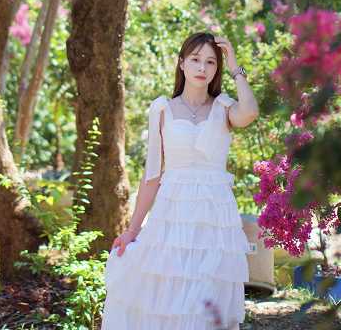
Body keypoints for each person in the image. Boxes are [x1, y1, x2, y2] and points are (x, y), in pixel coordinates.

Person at [101, 31, 260, 330]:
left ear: (217, 69)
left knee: (206, 303)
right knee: (167, 300)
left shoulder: (224, 107)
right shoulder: (162, 109)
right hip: (172, 216)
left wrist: (236, 65)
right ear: (182, 64)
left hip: (215, 220)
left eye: (211, 62)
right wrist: (133, 229)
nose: (203, 68)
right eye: (196, 60)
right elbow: (152, 176)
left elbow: (250, 112)